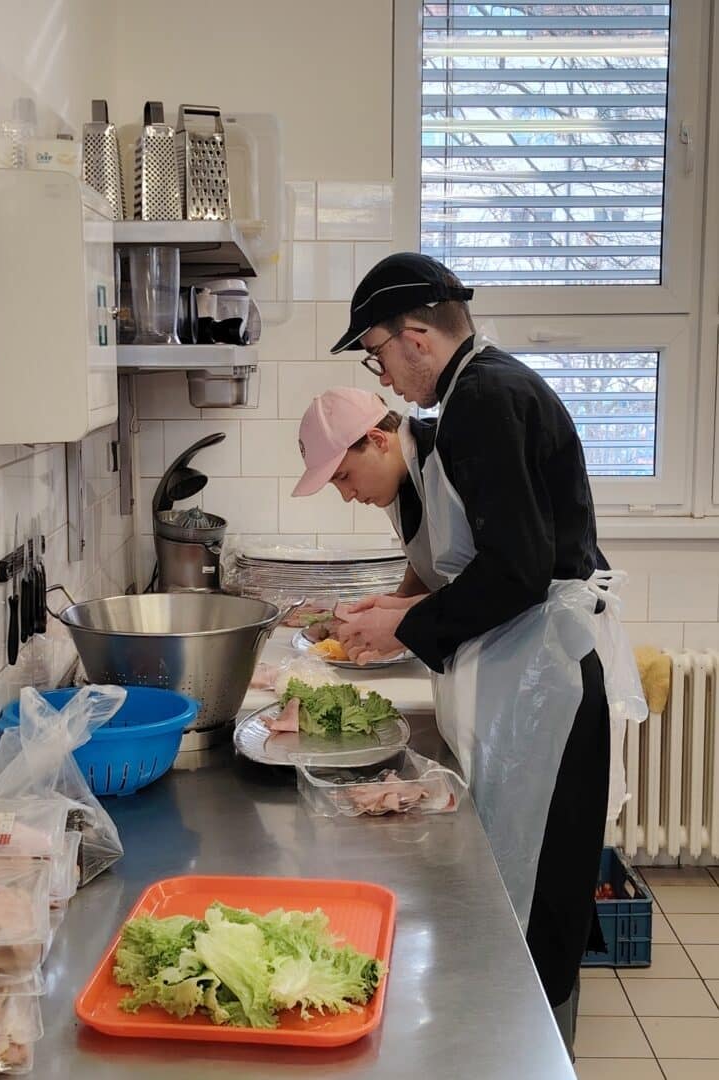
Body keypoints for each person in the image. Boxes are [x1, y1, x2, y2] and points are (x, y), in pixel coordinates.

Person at [311, 251, 645, 1056]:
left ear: (416, 336)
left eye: (378, 353)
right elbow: (495, 563)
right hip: (532, 677)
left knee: (545, 895)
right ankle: (523, 1048)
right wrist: (405, 610)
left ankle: (540, 1058)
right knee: (528, 883)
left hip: (548, 685)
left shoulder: (484, 399)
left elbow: (518, 570)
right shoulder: (478, 392)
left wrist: (406, 627)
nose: (386, 376)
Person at [292, 386, 444, 602]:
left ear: (377, 440)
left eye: (344, 476)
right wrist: (395, 601)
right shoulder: (395, 480)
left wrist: (401, 611)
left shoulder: (446, 459)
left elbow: (484, 576)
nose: (347, 496)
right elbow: (425, 562)